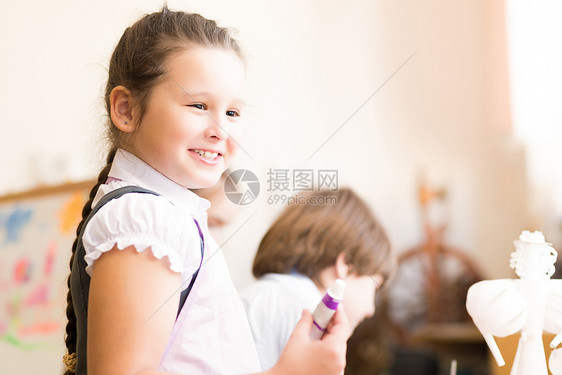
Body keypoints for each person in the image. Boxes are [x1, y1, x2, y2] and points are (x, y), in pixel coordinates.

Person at [63, 7, 349, 375]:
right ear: (126, 109)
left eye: (232, 112)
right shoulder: (148, 220)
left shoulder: (166, 217)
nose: (221, 131)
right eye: (199, 105)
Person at [240, 188, 395, 371]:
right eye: (375, 285)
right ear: (346, 264)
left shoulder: (267, 293)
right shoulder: (307, 312)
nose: (371, 310)